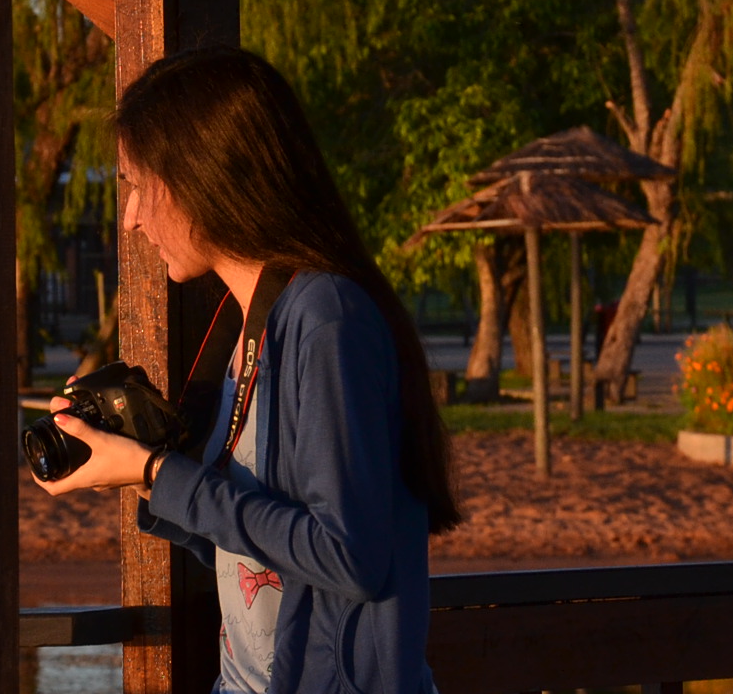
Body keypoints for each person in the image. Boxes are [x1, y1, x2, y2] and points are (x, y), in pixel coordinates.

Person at [32, 46, 460, 694]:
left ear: (207, 175)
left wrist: (157, 471)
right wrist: (142, 474)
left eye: (140, 185)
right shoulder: (244, 325)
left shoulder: (325, 319)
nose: (132, 217)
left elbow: (350, 556)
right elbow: (254, 556)